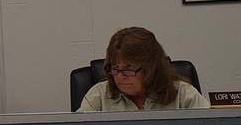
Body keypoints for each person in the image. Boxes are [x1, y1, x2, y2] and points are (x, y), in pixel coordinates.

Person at [78, 27, 210, 112]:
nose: (119, 76)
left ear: (151, 68)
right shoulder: (99, 96)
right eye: (115, 67)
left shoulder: (182, 94)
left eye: (129, 68)